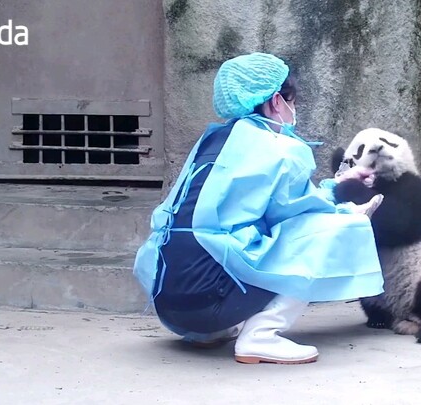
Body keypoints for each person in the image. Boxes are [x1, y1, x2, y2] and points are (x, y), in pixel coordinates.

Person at [133, 52, 385, 365]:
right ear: (277, 101)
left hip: (170, 305)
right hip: (210, 300)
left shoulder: (212, 139)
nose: (294, 110)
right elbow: (302, 215)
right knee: (339, 229)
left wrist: (337, 186)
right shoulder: (280, 147)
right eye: (292, 101)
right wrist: (347, 209)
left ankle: (208, 333)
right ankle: (262, 335)